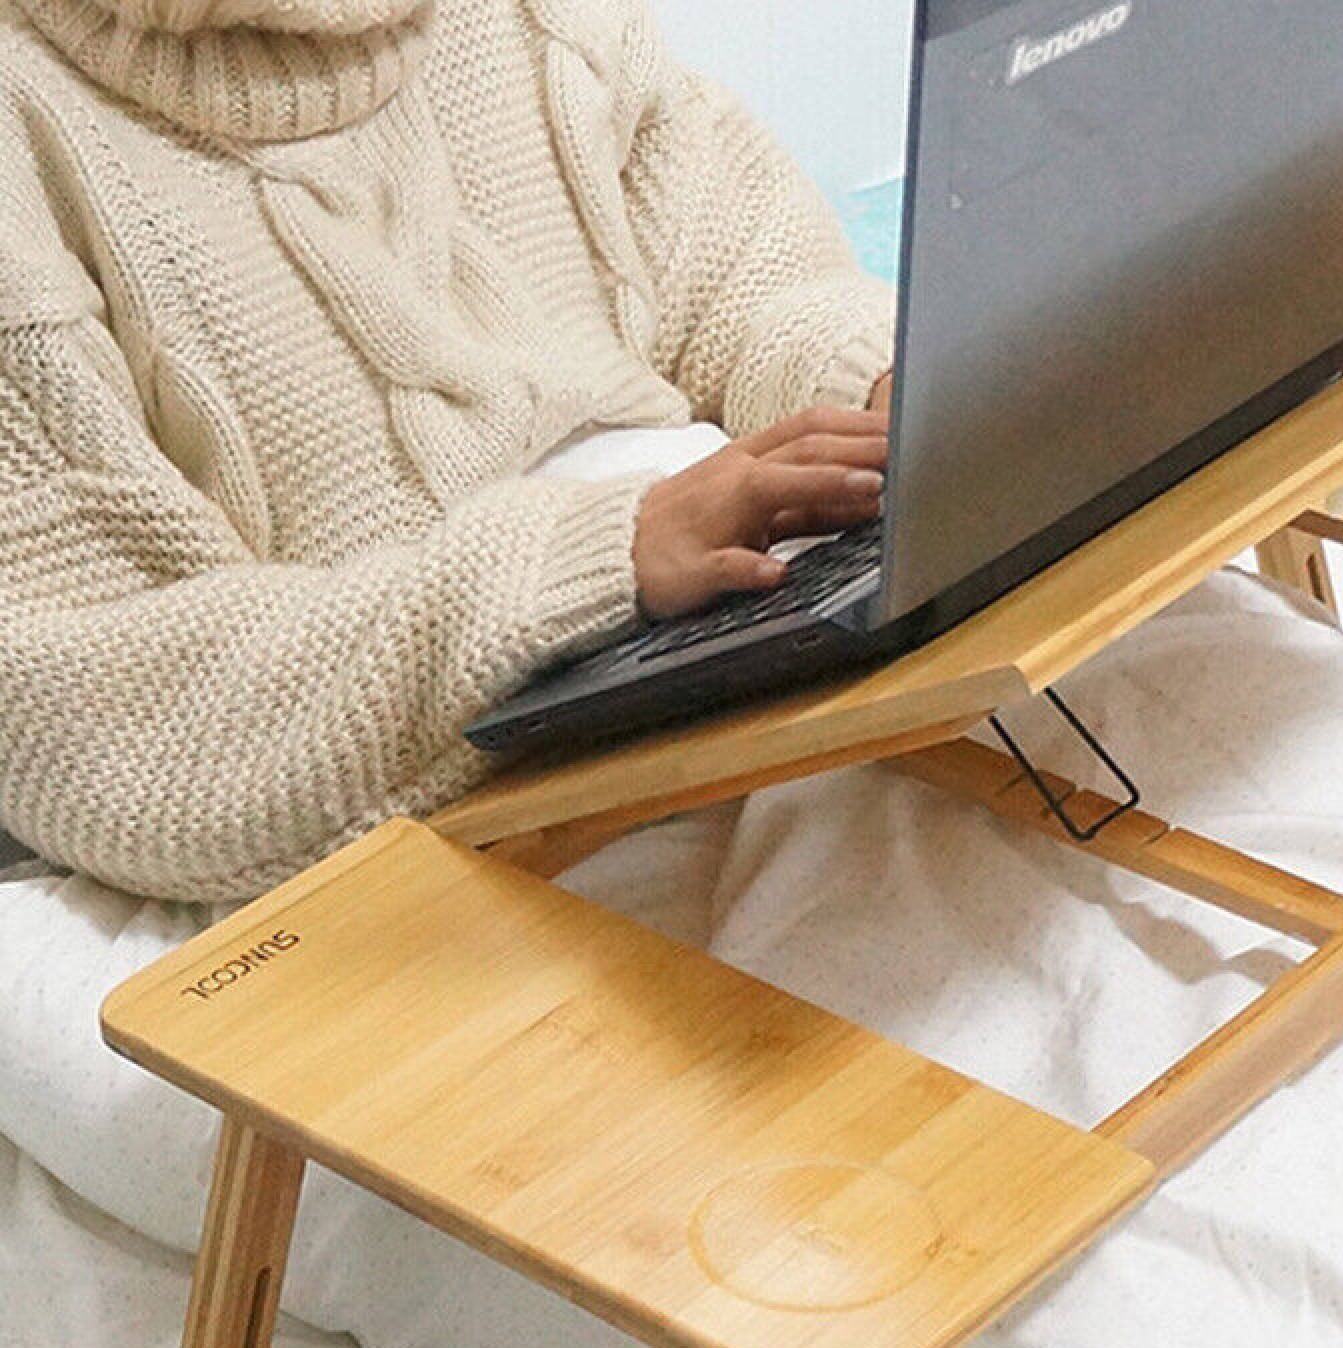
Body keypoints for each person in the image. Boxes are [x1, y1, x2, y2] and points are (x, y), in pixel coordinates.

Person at [0, 0, 898, 902]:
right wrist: (589, 561)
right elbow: (72, 708)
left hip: (721, 636)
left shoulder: (540, 22)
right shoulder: (23, 124)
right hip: (431, 797)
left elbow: (749, 279)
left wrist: (888, 382)